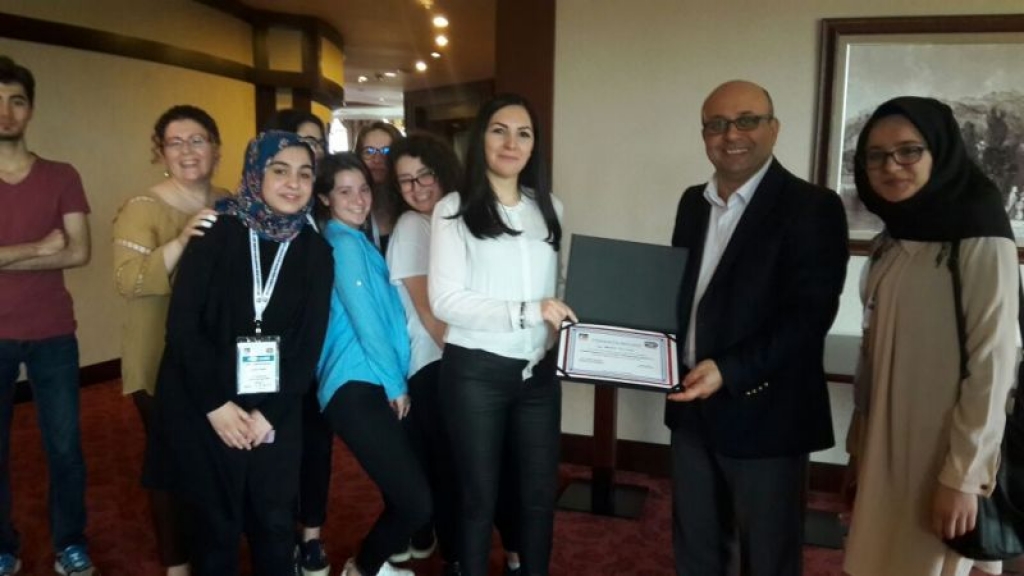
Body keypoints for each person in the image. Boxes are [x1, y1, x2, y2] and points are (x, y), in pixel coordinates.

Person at [664, 80, 848, 576]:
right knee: (696, 548)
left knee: (768, 557)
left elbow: (809, 317)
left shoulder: (812, 206)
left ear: (774, 128)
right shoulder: (692, 203)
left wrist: (728, 369)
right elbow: (679, 295)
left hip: (767, 411)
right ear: (704, 134)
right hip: (690, 406)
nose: (731, 135)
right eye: (717, 124)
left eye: (747, 120)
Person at [843, 97, 1019, 576]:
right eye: (876, 155)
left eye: (908, 150)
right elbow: (872, 349)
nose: (890, 166)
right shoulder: (895, 236)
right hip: (885, 443)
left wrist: (963, 477)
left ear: (939, 152)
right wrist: (860, 450)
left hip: (938, 453)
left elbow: (993, 364)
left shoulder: (979, 235)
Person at [147, 131, 332, 575]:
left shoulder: (315, 250)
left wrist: (268, 413)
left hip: (273, 406)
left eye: (305, 174)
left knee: (274, 523)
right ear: (255, 174)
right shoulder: (217, 232)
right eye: (280, 170)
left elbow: (308, 345)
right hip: (205, 402)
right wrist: (216, 406)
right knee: (214, 529)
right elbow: (182, 327)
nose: (293, 183)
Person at [429, 93, 575, 576]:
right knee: (479, 498)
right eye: (500, 130)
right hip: (476, 373)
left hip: (538, 375)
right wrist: (528, 312)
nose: (512, 143)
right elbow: (445, 301)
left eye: (523, 133)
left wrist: (574, 322)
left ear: (534, 147)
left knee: (537, 497)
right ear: (481, 139)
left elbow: (556, 286)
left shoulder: (549, 208)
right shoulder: (453, 209)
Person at [112, 104, 228, 576]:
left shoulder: (228, 201)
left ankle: (210, 549)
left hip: (212, 355)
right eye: (175, 142)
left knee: (209, 461)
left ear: (216, 149)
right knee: (170, 465)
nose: (187, 150)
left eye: (197, 140)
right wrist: (180, 240)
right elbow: (128, 280)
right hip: (157, 356)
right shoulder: (142, 207)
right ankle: (177, 564)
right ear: (160, 151)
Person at [0, 56, 95, 576]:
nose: (5, 112)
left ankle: (70, 543)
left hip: (53, 332)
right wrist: (38, 247)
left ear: (30, 109)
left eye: (16, 101)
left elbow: (79, 251)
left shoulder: (61, 175)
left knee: (64, 447)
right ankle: (2, 546)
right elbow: (58, 247)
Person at [315, 152, 431, 576]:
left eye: (363, 189)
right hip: (356, 385)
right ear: (325, 198)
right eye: (344, 191)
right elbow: (367, 322)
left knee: (410, 492)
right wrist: (395, 385)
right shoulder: (342, 245)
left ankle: (371, 565)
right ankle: (363, 568)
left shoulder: (359, 240)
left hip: (370, 381)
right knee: (415, 501)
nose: (358, 199)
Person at [383, 132, 461, 574]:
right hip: (433, 362)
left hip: (451, 359)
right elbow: (429, 313)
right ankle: (455, 556)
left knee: (451, 465)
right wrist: (474, 361)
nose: (417, 188)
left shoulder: (452, 220)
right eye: (405, 180)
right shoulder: (414, 227)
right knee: (450, 467)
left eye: (424, 174)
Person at [261, 108, 332, 576]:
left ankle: (311, 536)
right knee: (277, 450)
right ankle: (279, 535)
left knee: (317, 447)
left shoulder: (330, 206)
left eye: (315, 143)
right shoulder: (250, 216)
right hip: (270, 361)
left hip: (319, 356)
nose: (308, 150)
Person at [355, 122, 403, 251]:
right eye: (369, 151)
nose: (377, 159)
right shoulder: (349, 205)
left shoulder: (411, 200)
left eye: (386, 151)